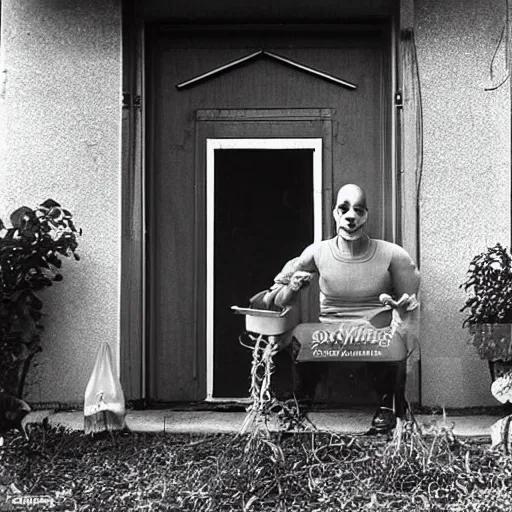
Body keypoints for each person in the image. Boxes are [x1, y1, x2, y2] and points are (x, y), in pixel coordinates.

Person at [263, 183, 420, 432]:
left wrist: (400, 313)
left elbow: (409, 306)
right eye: (344, 209)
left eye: (358, 210)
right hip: (331, 332)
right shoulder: (316, 252)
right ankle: (300, 401)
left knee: (395, 339)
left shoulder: (393, 255)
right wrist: (292, 287)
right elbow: (276, 299)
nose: (351, 217)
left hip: (373, 331)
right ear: (335, 213)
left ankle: (389, 405)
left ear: (366, 214)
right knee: (300, 336)